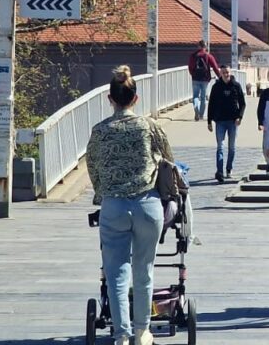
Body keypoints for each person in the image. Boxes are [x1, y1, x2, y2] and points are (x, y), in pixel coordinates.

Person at [86, 66, 174, 345]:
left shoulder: (99, 131)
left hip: (114, 206)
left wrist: (105, 193)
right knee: (144, 269)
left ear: (110, 99)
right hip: (148, 205)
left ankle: (121, 334)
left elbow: (93, 168)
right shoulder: (149, 126)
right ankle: (142, 331)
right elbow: (169, 161)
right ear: (135, 99)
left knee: (116, 272)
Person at [207, 66, 245, 183]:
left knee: (232, 147)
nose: (226, 74)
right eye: (223, 72)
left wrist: (240, 117)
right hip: (220, 121)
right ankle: (220, 171)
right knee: (220, 147)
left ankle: (229, 168)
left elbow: (242, 103)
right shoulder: (216, 87)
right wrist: (209, 121)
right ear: (220, 74)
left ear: (230, 73)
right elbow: (211, 104)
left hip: (233, 121)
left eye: (227, 72)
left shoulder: (236, 86)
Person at [187, 41, 221, 122]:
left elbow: (190, 67)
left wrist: (193, 74)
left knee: (195, 96)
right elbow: (215, 67)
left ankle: (196, 108)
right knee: (203, 97)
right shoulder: (208, 56)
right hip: (205, 79)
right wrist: (220, 76)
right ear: (205, 47)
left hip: (195, 78)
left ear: (198, 46)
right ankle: (201, 114)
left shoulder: (193, 56)